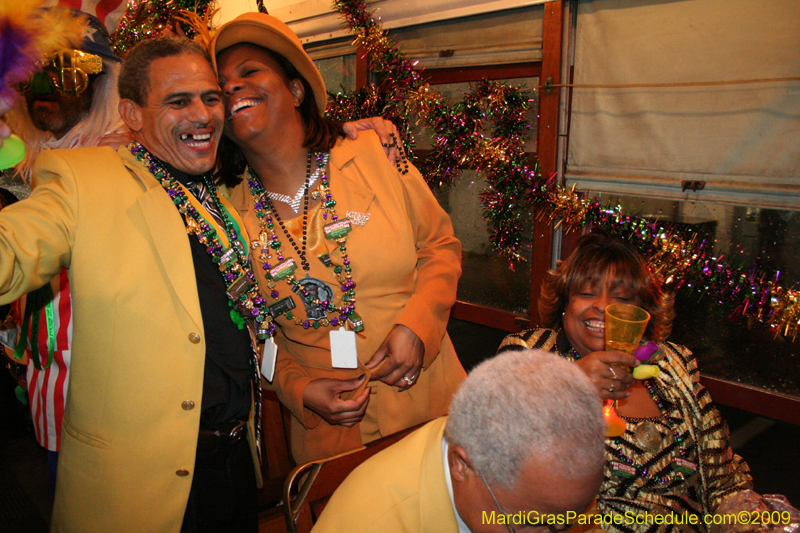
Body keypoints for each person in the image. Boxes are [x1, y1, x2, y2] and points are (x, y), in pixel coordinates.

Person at [0, 35, 400, 532]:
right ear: (132, 114)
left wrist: (358, 130)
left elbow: (247, 315)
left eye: (212, 98)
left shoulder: (222, 196)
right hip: (141, 486)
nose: (204, 113)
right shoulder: (86, 181)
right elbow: (15, 247)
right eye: (178, 100)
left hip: (233, 469)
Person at [210, 12, 467, 464]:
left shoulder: (374, 152)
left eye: (249, 72)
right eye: (221, 85)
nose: (232, 87)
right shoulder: (226, 213)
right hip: (333, 440)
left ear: (295, 89)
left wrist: (418, 326)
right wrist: (300, 389)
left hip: (433, 410)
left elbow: (439, 246)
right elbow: (250, 331)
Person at [498, 232, 753, 532]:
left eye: (622, 298)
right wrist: (568, 386)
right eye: (588, 293)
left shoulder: (674, 364)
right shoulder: (528, 353)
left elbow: (724, 482)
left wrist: (746, 520)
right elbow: (493, 442)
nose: (605, 307)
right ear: (566, 301)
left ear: (643, 314)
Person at [0, 9, 124, 497]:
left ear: (103, 82)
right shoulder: (28, 165)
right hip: (46, 390)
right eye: (30, 75)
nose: (42, 88)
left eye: (66, 69)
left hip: (112, 406)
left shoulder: (128, 160)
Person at [311, 349, 606, 533]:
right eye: (528, 523)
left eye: (566, 521)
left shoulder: (546, 491)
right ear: (461, 466)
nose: (559, 526)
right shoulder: (370, 523)